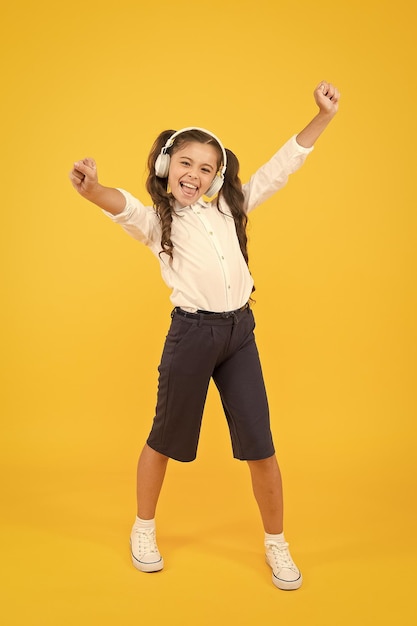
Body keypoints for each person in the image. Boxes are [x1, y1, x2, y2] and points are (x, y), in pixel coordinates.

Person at [69, 80, 340, 591]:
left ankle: (276, 544)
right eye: (186, 163)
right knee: (165, 436)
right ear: (166, 166)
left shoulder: (228, 208)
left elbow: (280, 168)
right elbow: (122, 205)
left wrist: (321, 117)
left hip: (240, 334)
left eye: (207, 168)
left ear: (217, 178)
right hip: (191, 336)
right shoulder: (157, 223)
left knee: (261, 443)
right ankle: (143, 528)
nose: (194, 174)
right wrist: (91, 190)